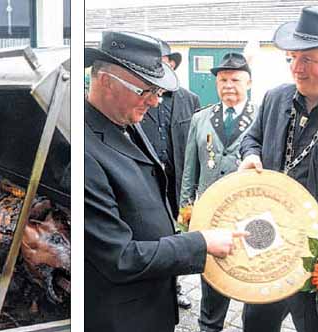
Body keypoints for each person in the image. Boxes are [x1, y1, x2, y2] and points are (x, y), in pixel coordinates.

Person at [84, 30, 247, 332]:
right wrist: (200, 242)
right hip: (121, 317)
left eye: (157, 92)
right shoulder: (83, 154)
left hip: (150, 302)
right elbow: (119, 256)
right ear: (106, 81)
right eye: (145, 91)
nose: (155, 103)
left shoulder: (122, 120)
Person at [238, 6, 318, 332]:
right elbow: (252, 138)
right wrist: (250, 154)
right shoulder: (274, 98)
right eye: (292, 58)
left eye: (308, 60)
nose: (296, 69)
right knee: (255, 325)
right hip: (266, 246)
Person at [180, 52, 257, 332]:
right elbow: (190, 170)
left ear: (248, 82)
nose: (228, 85)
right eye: (222, 80)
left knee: (252, 280)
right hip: (211, 215)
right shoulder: (201, 118)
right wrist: (185, 212)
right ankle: (209, 327)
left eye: (235, 79)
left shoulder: (262, 117)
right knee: (212, 283)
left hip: (249, 216)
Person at [140, 39, 201, 310]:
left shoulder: (190, 100)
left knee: (176, 234)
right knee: (152, 234)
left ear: (172, 64)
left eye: (162, 63)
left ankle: (176, 287)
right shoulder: (141, 97)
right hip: (147, 182)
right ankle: (152, 287)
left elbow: (199, 142)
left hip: (177, 182)